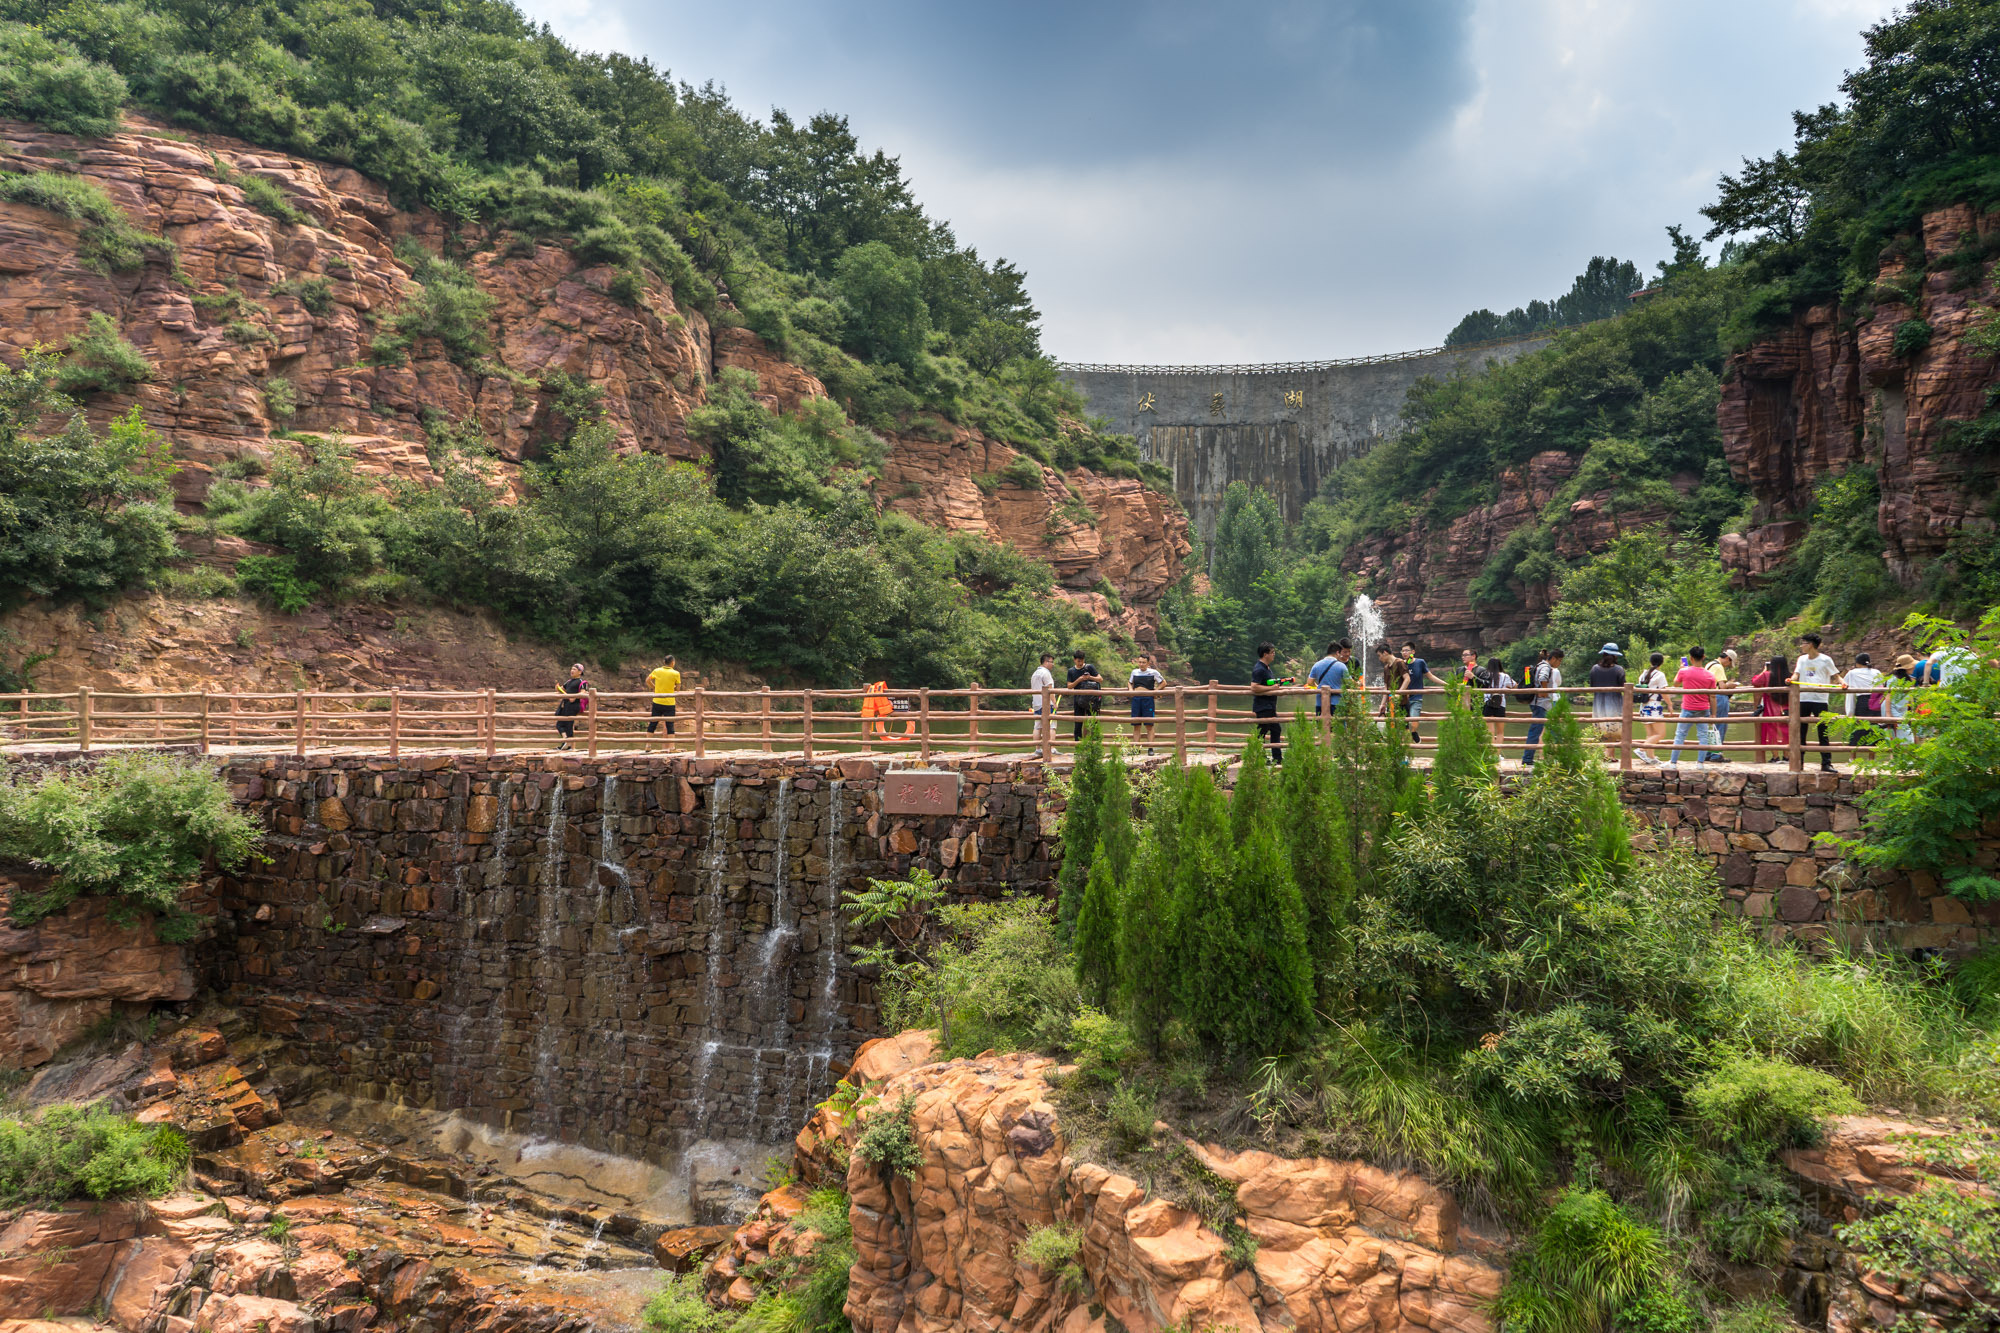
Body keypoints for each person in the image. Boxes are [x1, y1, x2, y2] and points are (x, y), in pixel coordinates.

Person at [1795, 632, 1838, 773]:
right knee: (1801, 732)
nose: (1801, 646)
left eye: (1804, 643)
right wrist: (1790, 679)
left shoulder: (1825, 660)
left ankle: (1826, 763)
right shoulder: (1801, 659)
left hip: (1820, 699)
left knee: (1823, 732)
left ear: (1811, 645)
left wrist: (1843, 684)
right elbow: (1796, 674)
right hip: (1804, 698)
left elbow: (1835, 676)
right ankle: (1799, 762)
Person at [1669, 646, 1719, 766]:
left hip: (1687, 708)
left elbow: (1676, 684)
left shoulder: (1684, 672)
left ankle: (1673, 763)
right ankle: (1700, 763)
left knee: (1680, 735)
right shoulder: (1710, 675)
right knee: (1703, 736)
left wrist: (1680, 668)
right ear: (1703, 657)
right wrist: (1714, 714)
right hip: (1704, 709)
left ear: (1690, 658)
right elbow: (1712, 696)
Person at [1521, 648, 1563, 767]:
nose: (1559, 663)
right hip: (1541, 703)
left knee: (1536, 730)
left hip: (1538, 702)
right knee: (1535, 731)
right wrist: (1544, 691)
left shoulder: (1540, 664)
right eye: (1559, 661)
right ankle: (1527, 758)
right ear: (1553, 658)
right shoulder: (1546, 667)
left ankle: (1528, 758)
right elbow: (1542, 678)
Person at [1751, 657, 1791, 762]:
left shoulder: (1767, 675)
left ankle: (1775, 757)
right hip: (1787, 708)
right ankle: (1786, 757)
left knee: (1772, 732)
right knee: (1787, 732)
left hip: (1771, 709)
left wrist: (1764, 670)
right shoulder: (1790, 677)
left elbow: (1755, 682)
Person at [1250, 641, 1283, 765]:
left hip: (1270, 705)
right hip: (1263, 706)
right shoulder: (1259, 669)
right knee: (1263, 732)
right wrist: (1272, 689)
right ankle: (1264, 758)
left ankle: (1274, 758)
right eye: (1272, 652)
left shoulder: (1266, 668)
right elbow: (1254, 687)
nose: (1274, 655)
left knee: (1272, 730)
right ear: (1265, 654)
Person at [1844, 651, 1884, 750]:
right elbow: (1882, 685)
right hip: (1875, 701)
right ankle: (1872, 758)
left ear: (1857, 663)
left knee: (1859, 727)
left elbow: (1844, 683)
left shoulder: (1852, 673)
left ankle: (1852, 757)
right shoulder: (1876, 672)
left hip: (1862, 701)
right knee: (1874, 728)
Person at [1635, 652, 1670, 765]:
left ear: (1651, 661)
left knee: (1651, 734)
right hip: (1654, 706)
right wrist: (1669, 704)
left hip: (1644, 706)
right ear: (1661, 662)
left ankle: (1651, 756)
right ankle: (1641, 749)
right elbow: (1664, 691)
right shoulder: (1660, 675)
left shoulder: (1644, 674)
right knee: (1660, 734)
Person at [1588, 643, 1626, 745]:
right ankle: (1609, 755)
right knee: (1613, 727)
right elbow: (1623, 687)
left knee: (1601, 728)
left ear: (1603, 654)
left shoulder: (1594, 668)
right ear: (1615, 656)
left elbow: (1592, 686)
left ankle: (1605, 755)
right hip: (1614, 702)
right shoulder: (1619, 669)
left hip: (1598, 702)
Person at [1711, 649, 1743, 763]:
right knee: (1720, 725)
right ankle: (1716, 754)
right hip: (1719, 697)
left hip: (1710, 697)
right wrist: (1730, 685)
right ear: (1727, 658)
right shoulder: (1719, 667)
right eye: (1730, 662)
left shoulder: (1709, 664)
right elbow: (1722, 687)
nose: (1728, 665)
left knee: (1712, 727)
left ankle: (1708, 752)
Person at [1128, 652, 1164, 750]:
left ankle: (1150, 748)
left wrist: (1156, 691)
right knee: (1136, 725)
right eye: (1139, 662)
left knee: (1149, 725)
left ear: (1148, 663)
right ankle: (1136, 749)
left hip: (1148, 700)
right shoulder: (1134, 672)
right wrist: (1130, 690)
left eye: (1143, 662)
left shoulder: (1153, 672)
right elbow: (1130, 682)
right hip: (1136, 699)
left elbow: (1163, 683)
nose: (1141, 664)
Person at [1309, 641, 1351, 715]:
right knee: (1338, 725)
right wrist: (1358, 683)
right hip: (1337, 702)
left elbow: (1309, 682)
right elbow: (1349, 683)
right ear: (1337, 653)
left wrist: (1316, 686)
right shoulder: (1341, 666)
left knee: (1321, 725)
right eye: (1340, 654)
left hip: (1320, 702)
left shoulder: (1316, 665)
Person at [1068, 651, 1102, 741]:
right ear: (1074, 660)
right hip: (1078, 700)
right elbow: (1069, 686)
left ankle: (1094, 745)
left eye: (1082, 661)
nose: (1080, 663)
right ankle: (1078, 747)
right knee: (1078, 724)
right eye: (1078, 661)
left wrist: (1090, 677)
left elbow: (1100, 679)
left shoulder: (1089, 667)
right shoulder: (1071, 671)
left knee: (1093, 723)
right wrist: (1079, 680)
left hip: (1091, 700)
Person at [554, 663, 589, 750]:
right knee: (560, 724)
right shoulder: (569, 681)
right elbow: (562, 689)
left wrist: (574, 697)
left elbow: (583, 693)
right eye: (571, 669)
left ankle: (567, 744)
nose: (572, 671)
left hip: (573, 706)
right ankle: (566, 742)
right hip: (565, 705)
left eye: (574, 669)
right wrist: (558, 688)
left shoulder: (582, 682)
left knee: (568, 725)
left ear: (580, 672)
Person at [645, 653, 681, 737]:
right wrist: (672, 688)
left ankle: (648, 745)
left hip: (657, 701)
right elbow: (678, 689)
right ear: (672, 663)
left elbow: (647, 680)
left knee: (653, 724)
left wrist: (654, 687)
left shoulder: (657, 671)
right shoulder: (676, 673)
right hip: (669, 703)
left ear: (664, 662)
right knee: (670, 726)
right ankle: (672, 748)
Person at [1480, 656, 1513, 744]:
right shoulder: (1505, 676)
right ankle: (1497, 755)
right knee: (1500, 732)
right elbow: (1514, 685)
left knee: (1490, 732)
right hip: (1500, 704)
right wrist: (1506, 687)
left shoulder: (1485, 675)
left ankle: (1492, 755)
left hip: (1488, 704)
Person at [1402, 642, 1429, 745]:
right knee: (1403, 724)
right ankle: (1406, 750)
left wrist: (1446, 684)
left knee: (1414, 718)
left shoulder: (1420, 662)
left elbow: (1430, 676)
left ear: (1413, 651)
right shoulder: (1401, 664)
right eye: (1403, 651)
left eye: (1407, 650)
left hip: (1416, 696)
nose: (1404, 653)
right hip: (1404, 698)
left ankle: (1413, 732)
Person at [1887, 655, 1917, 740]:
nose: (1914, 667)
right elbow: (1888, 696)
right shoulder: (1893, 679)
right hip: (1893, 709)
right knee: (1906, 736)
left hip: (1902, 710)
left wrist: (1911, 709)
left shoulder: (1907, 679)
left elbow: (1909, 696)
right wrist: (1888, 714)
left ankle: (1898, 752)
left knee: (1901, 736)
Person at [1029, 652, 1057, 742]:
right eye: (1051, 662)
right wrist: (1055, 703)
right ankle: (1051, 748)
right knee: (1052, 727)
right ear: (1046, 662)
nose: (1053, 664)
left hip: (1036, 704)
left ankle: (1037, 749)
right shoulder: (1046, 673)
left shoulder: (1035, 673)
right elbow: (1050, 689)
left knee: (1037, 727)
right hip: (1047, 704)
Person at [1378, 645, 1407, 723]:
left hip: (1402, 702)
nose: (1379, 658)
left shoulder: (1399, 663)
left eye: (1379, 655)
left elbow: (1407, 679)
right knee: (1392, 726)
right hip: (1391, 702)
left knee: (1404, 728)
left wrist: (1399, 693)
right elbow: (1386, 687)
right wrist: (1383, 704)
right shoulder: (1386, 668)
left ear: (1385, 653)